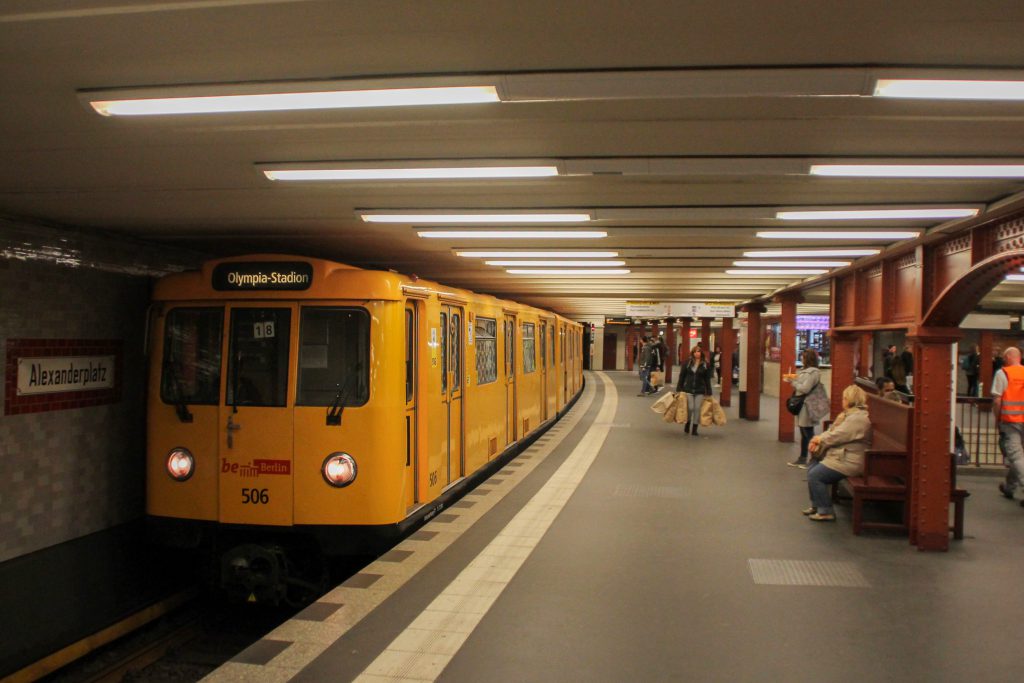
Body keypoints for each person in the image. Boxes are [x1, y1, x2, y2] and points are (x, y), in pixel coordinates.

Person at [802, 385, 873, 522]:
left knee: (816, 475)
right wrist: (817, 440)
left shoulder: (857, 419)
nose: (842, 400)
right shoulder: (848, 416)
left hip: (850, 461)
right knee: (812, 466)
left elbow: (837, 436)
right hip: (841, 456)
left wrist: (818, 439)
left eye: (844, 398)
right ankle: (817, 505)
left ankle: (825, 511)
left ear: (849, 399)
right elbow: (832, 432)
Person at [991, 347, 1024, 508]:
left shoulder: (1002, 373)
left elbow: (997, 400)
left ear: (1008, 357)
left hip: (1010, 420)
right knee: (1019, 458)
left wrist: (997, 419)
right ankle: (1010, 488)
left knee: (1016, 456)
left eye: (1004, 357)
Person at [783, 348, 825, 468]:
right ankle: (803, 458)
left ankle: (813, 458)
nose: (801, 358)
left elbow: (805, 388)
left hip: (806, 404)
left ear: (807, 359)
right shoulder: (808, 372)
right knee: (804, 431)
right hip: (805, 404)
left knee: (807, 432)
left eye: (803, 357)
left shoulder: (812, 373)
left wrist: (793, 382)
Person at [676, 346, 713, 436]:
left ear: (701, 353)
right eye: (695, 352)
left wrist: (709, 391)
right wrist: (679, 388)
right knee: (690, 408)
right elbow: (682, 376)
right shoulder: (687, 363)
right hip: (688, 389)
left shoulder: (705, 364)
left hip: (699, 390)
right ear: (692, 353)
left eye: (699, 352)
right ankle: (687, 424)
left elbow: (707, 379)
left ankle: (694, 428)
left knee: (697, 409)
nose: (697, 353)